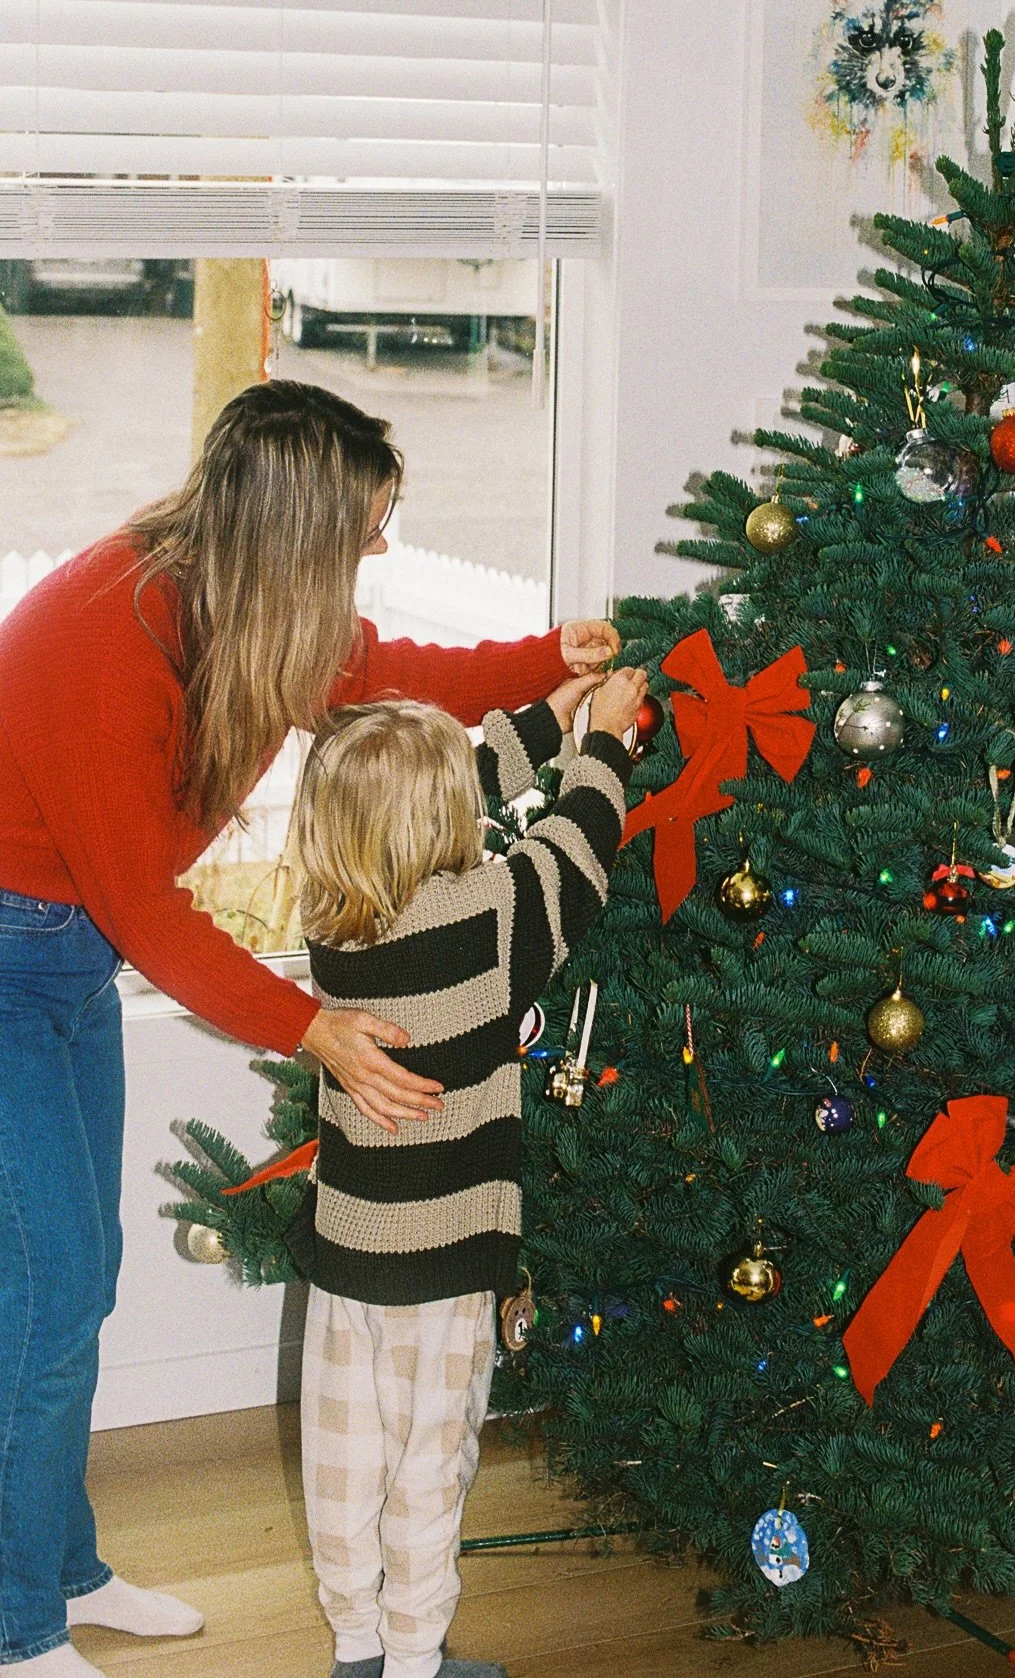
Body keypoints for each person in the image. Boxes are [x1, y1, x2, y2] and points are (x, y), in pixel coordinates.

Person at [0, 379, 618, 1677]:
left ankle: (61, 1566)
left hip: (63, 956)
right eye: (368, 526)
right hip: (12, 950)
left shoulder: (252, 601)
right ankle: (18, 1627)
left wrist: (550, 658)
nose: (378, 551)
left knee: (83, 1274)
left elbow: (399, 671)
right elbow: (146, 908)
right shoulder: (111, 637)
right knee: (47, 1296)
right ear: (296, 527)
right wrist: (314, 1028)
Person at [292, 668, 645, 1678]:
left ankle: (356, 1647)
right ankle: (414, 1662)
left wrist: (545, 718)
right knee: (428, 1465)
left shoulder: (335, 916)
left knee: (345, 1457)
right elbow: (576, 851)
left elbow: (441, 789)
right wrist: (603, 740)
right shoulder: (493, 918)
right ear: (445, 816)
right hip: (443, 1263)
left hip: (348, 1248)